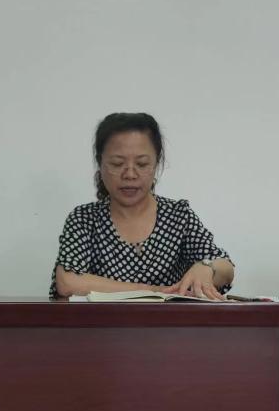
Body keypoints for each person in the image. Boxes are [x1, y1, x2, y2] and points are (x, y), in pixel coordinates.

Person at [50, 113, 234, 300]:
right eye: (117, 164)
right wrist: (151, 291)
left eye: (142, 163)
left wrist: (206, 267)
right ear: (100, 163)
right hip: (103, 320)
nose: (130, 174)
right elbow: (67, 282)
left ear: (156, 164)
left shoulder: (178, 216)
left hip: (170, 320)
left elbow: (226, 269)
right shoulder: (85, 219)